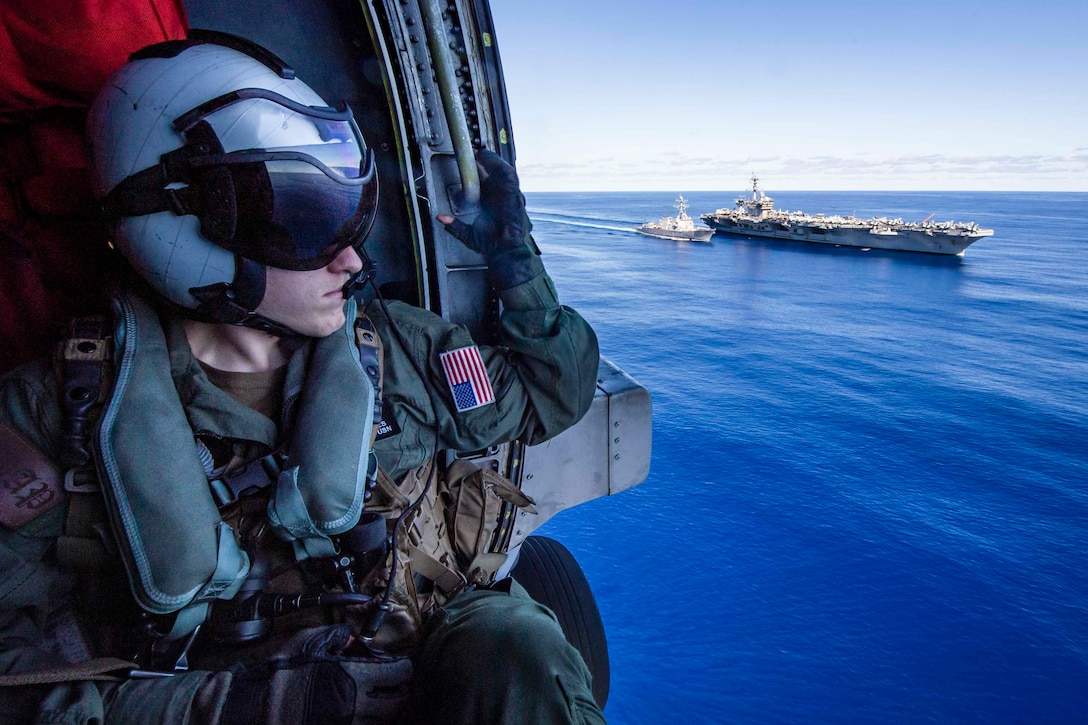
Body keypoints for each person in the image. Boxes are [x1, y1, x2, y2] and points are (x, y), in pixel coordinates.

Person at [0, 35, 604, 724]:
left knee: (520, 645)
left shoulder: (398, 348)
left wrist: (512, 255)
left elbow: (554, 389)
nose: (350, 259)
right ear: (184, 228)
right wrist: (229, 706)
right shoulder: (59, 411)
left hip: (419, 662)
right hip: (207, 691)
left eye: (346, 212)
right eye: (308, 219)